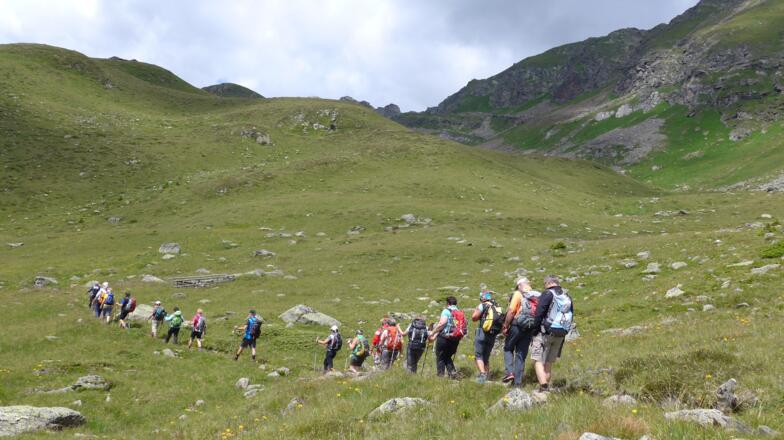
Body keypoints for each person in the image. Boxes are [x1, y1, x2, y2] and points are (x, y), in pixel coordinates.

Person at [531, 275, 573, 392]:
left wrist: (534, 331)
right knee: (548, 362)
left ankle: (543, 386)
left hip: (545, 332)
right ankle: (545, 387)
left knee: (537, 360)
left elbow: (539, 313)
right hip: (560, 333)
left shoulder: (548, 294)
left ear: (547, 283)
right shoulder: (566, 295)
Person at [501, 277, 540, 386]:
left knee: (508, 348)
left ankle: (509, 372)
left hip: (516, 325)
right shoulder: (535, 295)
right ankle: (517, 383)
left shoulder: (518, 294)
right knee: (521, 355)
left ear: (519, 285)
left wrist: (505, 325)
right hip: (529, 328)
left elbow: (511, 311)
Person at [429, 296, 466, 378]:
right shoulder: (460, 312)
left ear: (448, 303)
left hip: (444, 337)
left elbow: (442, 323)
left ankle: (440, 376)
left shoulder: (446, 311)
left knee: (440, 357)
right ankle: (452, 374)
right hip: (455, 338)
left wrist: (433, 333)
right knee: (447, 356)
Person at [471, 287, 502, 383]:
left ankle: (482, 375)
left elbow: (474, 317)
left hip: (482, 332)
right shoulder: (496, 306)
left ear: (482, 298)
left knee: (478, 354)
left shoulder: (483, 305)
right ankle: (487, 376)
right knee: (486, 356)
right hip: (493, 334)